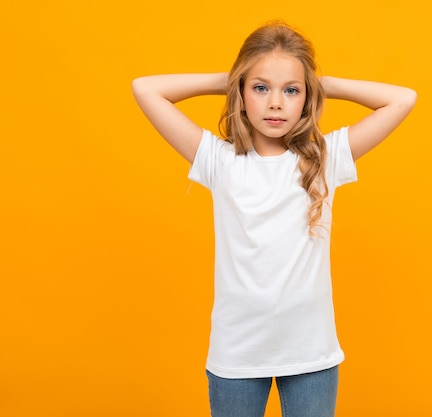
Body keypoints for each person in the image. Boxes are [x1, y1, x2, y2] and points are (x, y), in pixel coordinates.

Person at [132, 21, 416, 417]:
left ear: (306, 97)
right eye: (260, 88)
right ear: (241, 93)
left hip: (310, 354)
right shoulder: (219, 161)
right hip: (237, 354)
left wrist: (323, 83)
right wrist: (232, 78)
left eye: (291, 90)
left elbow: (403, 99)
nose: (276, 102)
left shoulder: (324, 159)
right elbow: (146, 89)